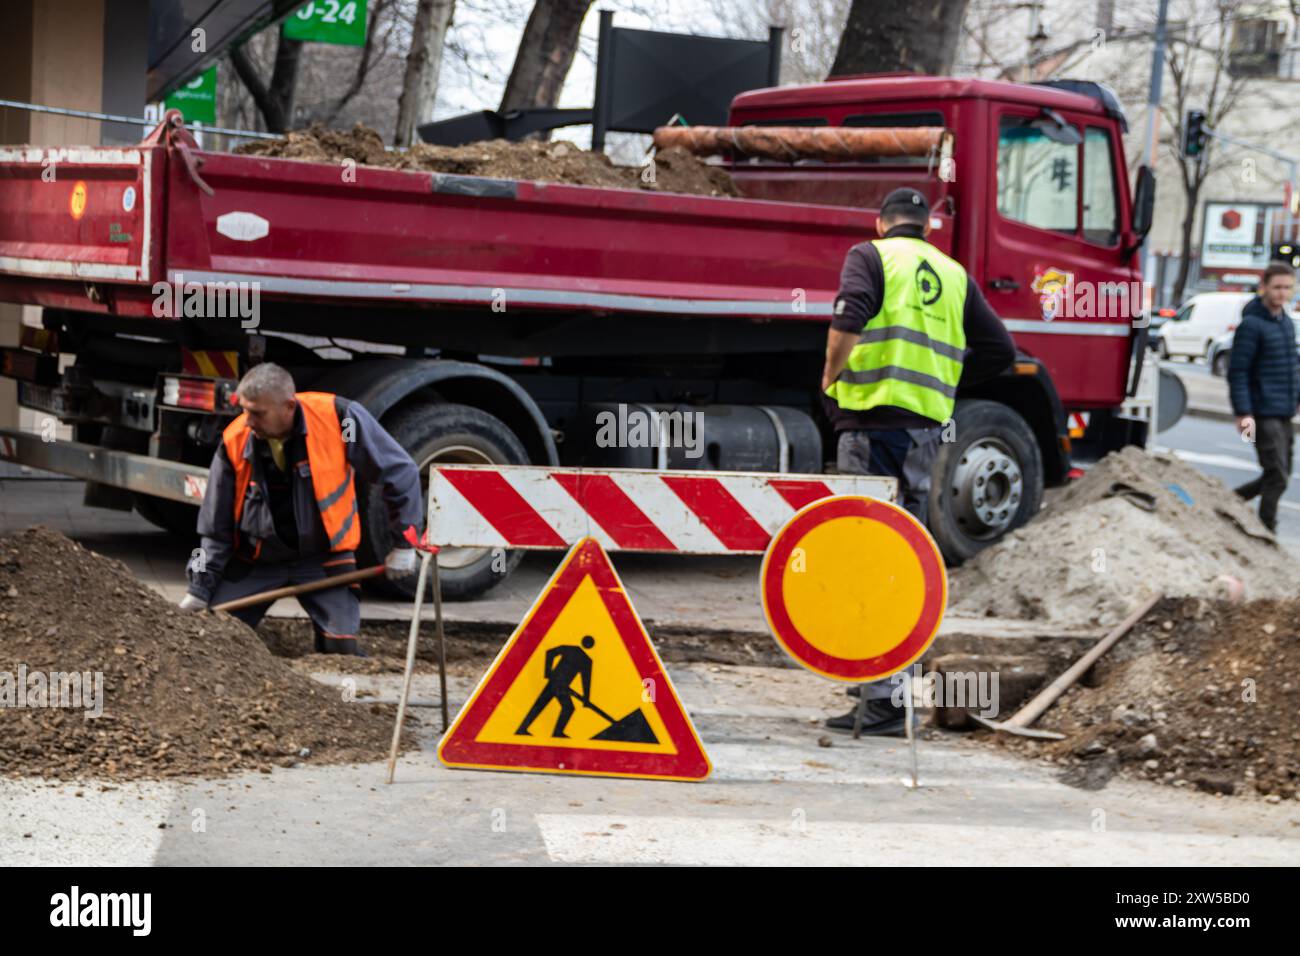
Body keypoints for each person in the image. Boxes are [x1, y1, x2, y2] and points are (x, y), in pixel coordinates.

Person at [820, 187, 1015, 735]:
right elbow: (1000, 349)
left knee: (869, 554)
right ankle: (885, 684)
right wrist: (943, 384)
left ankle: (884, 698)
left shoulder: (870, 256)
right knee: (901, 554)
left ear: (880, 223)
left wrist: (830, 376)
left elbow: (848, 317)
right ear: (927, 227)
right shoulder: (953, 274)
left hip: (871, 426)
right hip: (923, 431)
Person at [179, 363, 424, 656]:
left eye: (257, 413)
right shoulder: (235, 439)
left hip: (324, 561)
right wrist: (199, 589)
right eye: (244, 410)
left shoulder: (339, 419)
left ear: (289, 407)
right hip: (259, 560)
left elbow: (400, 472)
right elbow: (214, 527)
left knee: (341, 649)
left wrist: (405, 543)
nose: (248, 421)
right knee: (212, 637)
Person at [1229, 261, 1299, 533]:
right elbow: (1238, 373)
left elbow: (1292, 364)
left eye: (1288, 288)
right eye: (1277, 287)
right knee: (1277, 476)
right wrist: (1243, 414)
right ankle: (1266, 529)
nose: (1282, 293)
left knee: (1279, 475)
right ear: (1264, 288)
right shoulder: (1251, 325)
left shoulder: (1286, 323)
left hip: (1284, 410)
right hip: (1261, 413)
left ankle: (1227, 501)